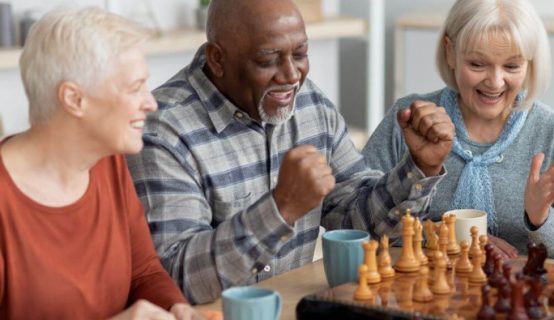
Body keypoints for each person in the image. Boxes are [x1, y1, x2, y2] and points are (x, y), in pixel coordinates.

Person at [126, 0, 454, 304]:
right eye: (268, 60)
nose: (292, 75)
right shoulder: (162, 130)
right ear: (217, 59)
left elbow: (360, 220)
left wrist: (418, 168)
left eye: (300, 54)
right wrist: (280, 208)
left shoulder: (309, 103)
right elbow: (174, 281)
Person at [0, 7, 200, 319]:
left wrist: (175, 307)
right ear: (74, 99)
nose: (151, 103)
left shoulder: (107, 162)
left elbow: (143, 273)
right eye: (135, 88)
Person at [362, 0, 554, 258]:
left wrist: (542, 219)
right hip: (421, 292)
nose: (495, 82)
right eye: (477, 65)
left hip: (520, 295)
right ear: (450, 52)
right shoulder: (409, 119)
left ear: (530, 61)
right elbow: (357, 223)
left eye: (512, 66)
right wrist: (443, 235)